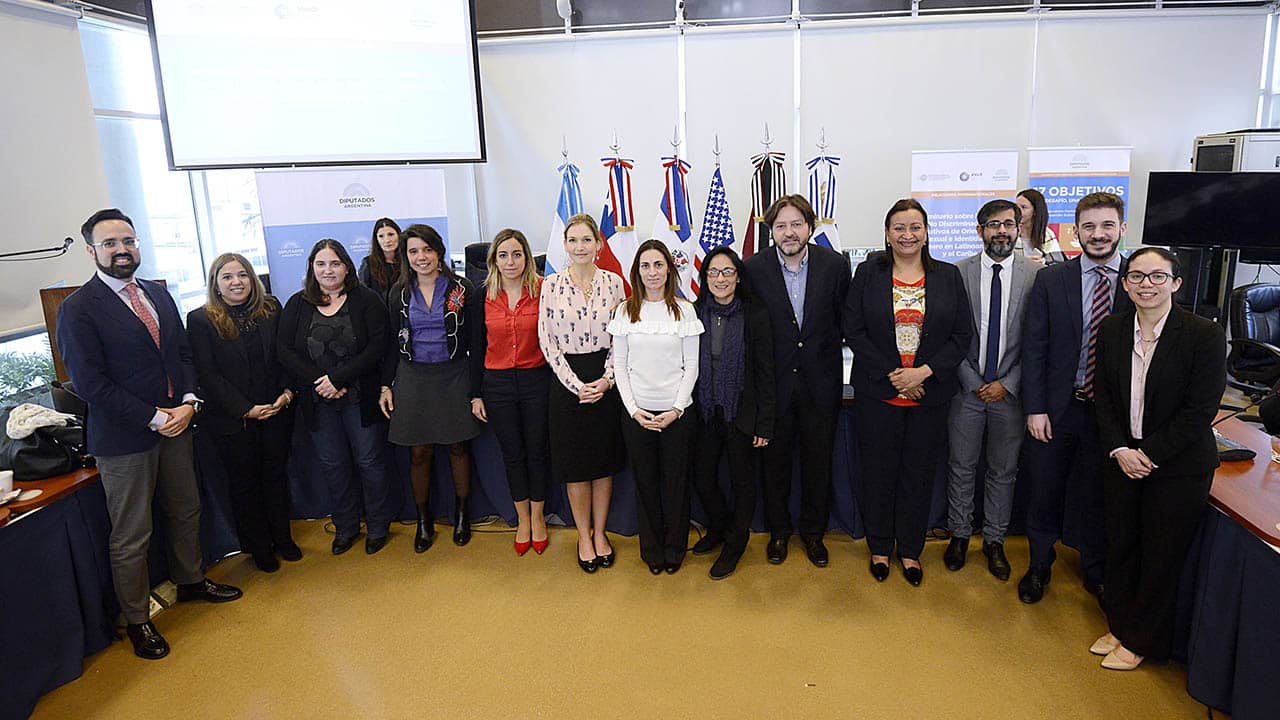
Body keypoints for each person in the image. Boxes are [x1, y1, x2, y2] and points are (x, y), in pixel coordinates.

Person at [57, 208, 241, 660]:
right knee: (132, 534)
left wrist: (189, 401)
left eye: (129, 241)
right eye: (111, 244)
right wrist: (155, 417)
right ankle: (137, 620)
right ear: (92, 252)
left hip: (178, 425)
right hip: (124, 441)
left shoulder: (157, 294)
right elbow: (89, 383)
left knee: (185, 510)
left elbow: (182, 354)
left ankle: (191, 581)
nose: (123, 250)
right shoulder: (77, 310)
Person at [1091, 247, 1225, 670]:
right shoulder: (1112, 329)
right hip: (1122, 457)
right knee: (1123, 545)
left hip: (1177, 466)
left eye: (1156, 276)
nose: (1146, 284)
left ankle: (1141, 639)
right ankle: (1121, 624)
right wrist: (1120, 449)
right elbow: (1104, 400)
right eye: (1136, 276)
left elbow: (1199, 410)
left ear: (1176, 283)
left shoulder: (1203, 334)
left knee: (1160, 554)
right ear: (1125, 283)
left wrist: (1146, 454)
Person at [843, 199, 971, 586]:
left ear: (927, 232)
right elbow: (853, 328)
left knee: (918, 475)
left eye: (915, 227)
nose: (907, 234)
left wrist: (923, 374)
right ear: (887, 233)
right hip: (878, 394)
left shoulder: (948, 276)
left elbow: (961, 336)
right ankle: (880, 547)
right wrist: (895, 375)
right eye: (899, 227)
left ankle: (911, 550)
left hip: (929, 396)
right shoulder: (868, 272)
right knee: (879, 473)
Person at [1019, 191, 1133, 604]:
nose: (1098, 235)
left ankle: (1096, 570)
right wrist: (1035, 407)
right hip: (1058, 408)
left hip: (1114, 417)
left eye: (1106, 226)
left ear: (1122, 228)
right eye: (1089, 226)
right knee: (1044, 490)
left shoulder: (1137, 281)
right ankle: (1038, 565)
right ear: (1076, 231)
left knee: (1099, 494)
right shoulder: (1052, 279)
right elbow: (1034, 347)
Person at [742, 194, 850, 568]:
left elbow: (842, 324)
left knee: (818, 465)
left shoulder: (835, 265)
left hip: (821, 386)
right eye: (781, 226)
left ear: (810, 227)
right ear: (772, 231)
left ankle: (814, 534)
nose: (789, 233)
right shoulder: (753, 270)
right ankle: (778, 533)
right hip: (774, 388)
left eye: (795, 224)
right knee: (775, 467)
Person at [942, 200, 1040, 582]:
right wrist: (972, 380)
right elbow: (950, 333)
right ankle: (960, 534)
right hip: (966, 389)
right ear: (979, 229)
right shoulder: (957, 273)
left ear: (1018, 229)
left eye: (1008, 224)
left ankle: (995, 540)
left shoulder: (1035, 276)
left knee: (1003, 470)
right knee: (961, 466)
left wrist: (1007, 384)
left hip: (1010, 393)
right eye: (993, 224)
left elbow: (1037, 340)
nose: (1001, 231)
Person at [278, 239, 394, 556]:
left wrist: (338, 379)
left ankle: (379, 525)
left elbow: (377, 347)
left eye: (334, 263)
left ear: (346, 267)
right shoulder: (297, 304)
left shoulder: (365, 299)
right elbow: (284, 350)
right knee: (333, 466)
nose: (328, 270)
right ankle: (345, 527)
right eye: (321, 264)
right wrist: (322, 382)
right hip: (318, 401)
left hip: (360, 398)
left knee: (370, 462)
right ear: (312, 269)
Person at [188, 253, 300, 573]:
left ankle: (283, 538)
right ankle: (259, 546)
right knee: (245, 484)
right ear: (216, 285)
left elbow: (286, 355)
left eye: (242, 275)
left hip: (276, 410)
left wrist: (287, 393)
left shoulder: (271, 309)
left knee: (275, 477)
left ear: (253, 279)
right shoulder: (200, 319)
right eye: (227, 277)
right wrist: (245, 410)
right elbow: (208, 376)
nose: (236, 282)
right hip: (233, 420)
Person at [380, 224, 481, 551]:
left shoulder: (463, 288)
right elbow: (389, 344)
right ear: (405, 257)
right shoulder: (398, 292)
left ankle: (462, 514)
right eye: (413, 251)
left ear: (438, 251)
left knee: (457, 447)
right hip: (412, 377)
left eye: (427, 250)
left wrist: (476, 388)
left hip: (453, 375)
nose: (421, 257)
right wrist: (386, 385)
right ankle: (423, 521)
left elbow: (477, 342)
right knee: (419, 452)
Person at [538, 213, 628, 573]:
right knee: (576, 467)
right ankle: (584, 536)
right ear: (564, 245)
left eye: (586, 240)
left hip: (607, 380)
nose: (580, 247)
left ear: (598, 244)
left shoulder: (615, 283)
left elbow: (622, 337)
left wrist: (606, 381)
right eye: (572, 240)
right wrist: (577, 385)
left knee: (603, 464)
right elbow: (547, 341)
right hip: (566, 385)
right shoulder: (550, 285)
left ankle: (602, 533)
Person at [609, 240, 704, 575]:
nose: (652, 272)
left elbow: (691, 366)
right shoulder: (625, 312)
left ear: (669, 269)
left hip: (677, 415)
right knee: (646, 484)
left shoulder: (685, 310)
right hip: (637, 415)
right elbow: (619, 366)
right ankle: (652, 551)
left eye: (659, 265)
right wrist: (635, 410)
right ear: (637, 271)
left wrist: (676, 409)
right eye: (646, 266)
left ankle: (675, 548)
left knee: (676, 484)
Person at [689, 246, 775, 580]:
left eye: (727, 272)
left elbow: (766, 371)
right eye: (713, 272)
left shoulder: (755, 314)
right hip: (706, 411)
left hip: (743, 413)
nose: (720, 279)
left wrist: (764, 422)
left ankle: (735, 543)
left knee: (742, 482)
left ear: (738, 277)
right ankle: (719, 527)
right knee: (703, 477)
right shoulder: (694, 314)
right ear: (704, 277)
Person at [470, 228, 551, 556]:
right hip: (498, 384)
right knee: (513, 454)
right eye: (503, 255)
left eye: (517, 254)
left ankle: (539, 517)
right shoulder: (482, 296)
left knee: (537, 452)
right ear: (493, 261)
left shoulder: (544, 290)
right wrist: (475, 394)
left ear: (527, 257)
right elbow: (476, 348)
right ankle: (522, 520)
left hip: (536, 380)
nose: (510, 261)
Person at [358, 217, 402, 304]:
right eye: (381, 236)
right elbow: (362, 294)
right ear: (376, 239)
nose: (387, 240)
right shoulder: (368, 263)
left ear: (399, 235)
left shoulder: (408, 261)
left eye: (391, 234)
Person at [1016, 189, 1061, 264]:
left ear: (1035, 211)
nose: (1018, 211)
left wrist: (1044, 261)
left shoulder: (1047, 234)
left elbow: (1058, 260)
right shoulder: (1010, 232)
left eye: (1023, 207)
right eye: (1016, 207)